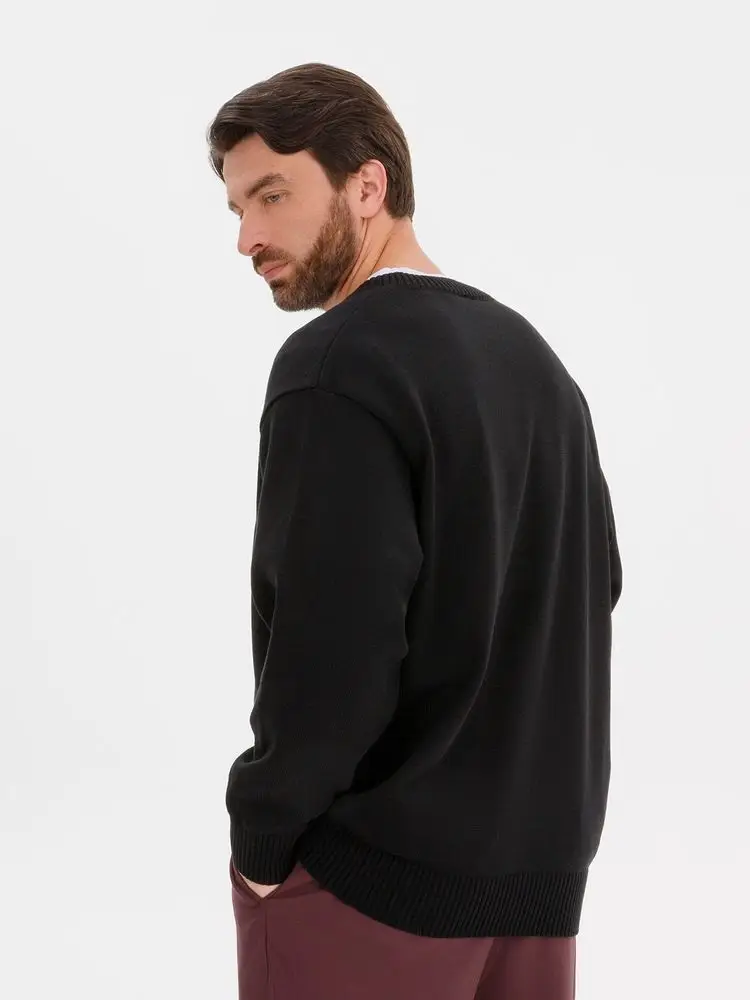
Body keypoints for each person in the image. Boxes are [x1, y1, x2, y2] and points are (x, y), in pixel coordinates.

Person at [206, 62, 622, 1000]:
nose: (246, 237)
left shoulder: (336, 366)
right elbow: (593, 590)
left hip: (369, 892)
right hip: (537, 891)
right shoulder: (539, 368)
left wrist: (263, 841)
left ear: (368, 184)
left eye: (272, 194)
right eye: (235, 208)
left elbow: (333, 639)